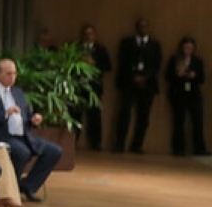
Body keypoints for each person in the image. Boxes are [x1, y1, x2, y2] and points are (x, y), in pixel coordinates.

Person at [0, 58, 62, 203]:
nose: (13, 77)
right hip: (1, 135)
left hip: (24, 135)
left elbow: (26, 115)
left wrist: (34, 119)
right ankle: (10, 191)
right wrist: (5, 114)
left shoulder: (18, 92)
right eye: (9, 74)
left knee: (54, 151)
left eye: (14, 74)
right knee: (22, 152)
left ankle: (27, 186)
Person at [114, 18, 163, 153]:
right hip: (129, 83)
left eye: (145, 26)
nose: (143, 29)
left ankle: (137, 145)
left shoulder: (155, 45)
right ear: (136, 28)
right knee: (125, 114)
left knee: (144, 116)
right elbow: (122, 62)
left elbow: (157, 65)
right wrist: (133, 76)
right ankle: (120, 144)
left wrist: (144, 77)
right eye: (140, 27)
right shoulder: (127, 43)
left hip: (148, 85)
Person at [166, 36, 208, 156]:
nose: (188, 50)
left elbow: (202, 79)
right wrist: (178, 75)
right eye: (186, 47)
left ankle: (200, 148)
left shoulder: (197, 61)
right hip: (178, 94)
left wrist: (194, 76)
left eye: (190, 48)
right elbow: (168, 76)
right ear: (181, 48)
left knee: (197, 121)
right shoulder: (175, 59)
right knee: (179, 121)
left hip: (193, 94)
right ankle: (179, 149)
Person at [77, 23, 113, 150]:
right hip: (79, 87)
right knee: (77, 114)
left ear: (95, 35)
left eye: (91, 33)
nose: (88, 36)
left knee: (95, 116)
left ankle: (96, 143)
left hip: (94, 87)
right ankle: (74, 141)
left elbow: (108, 66)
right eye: (86, 34)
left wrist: (94, 64)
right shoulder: (77, 48)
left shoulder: (101, 50)